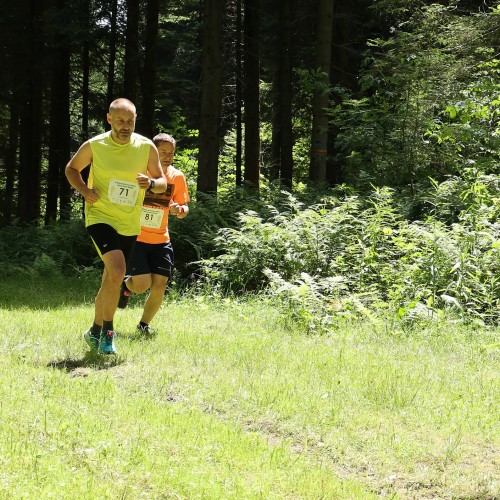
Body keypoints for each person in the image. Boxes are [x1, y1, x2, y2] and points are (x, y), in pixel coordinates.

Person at [65, 98, 167, 355]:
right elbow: (72, 169)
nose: (125, 126)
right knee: (119, 270)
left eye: (130, 121)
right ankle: (108, 333)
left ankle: (94, 331)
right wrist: (84, 190)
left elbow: (162, 182)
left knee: (111, 278)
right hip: (100, 215)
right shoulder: (95, 145)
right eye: (120, 121)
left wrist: (151, 183)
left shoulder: (146, 147)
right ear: (109, 119)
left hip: (130, 221)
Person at [117, 133, 190, 335]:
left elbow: (183, 208)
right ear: (153, 152)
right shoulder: (141, 173)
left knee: (159, 286)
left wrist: (179, 210)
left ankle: (143, 326)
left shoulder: (177, 176)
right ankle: (126, 285)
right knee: (142, 285)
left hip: (161, 240)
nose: (167, 156)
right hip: (137, 237)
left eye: (171, 153)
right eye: (163, 151)